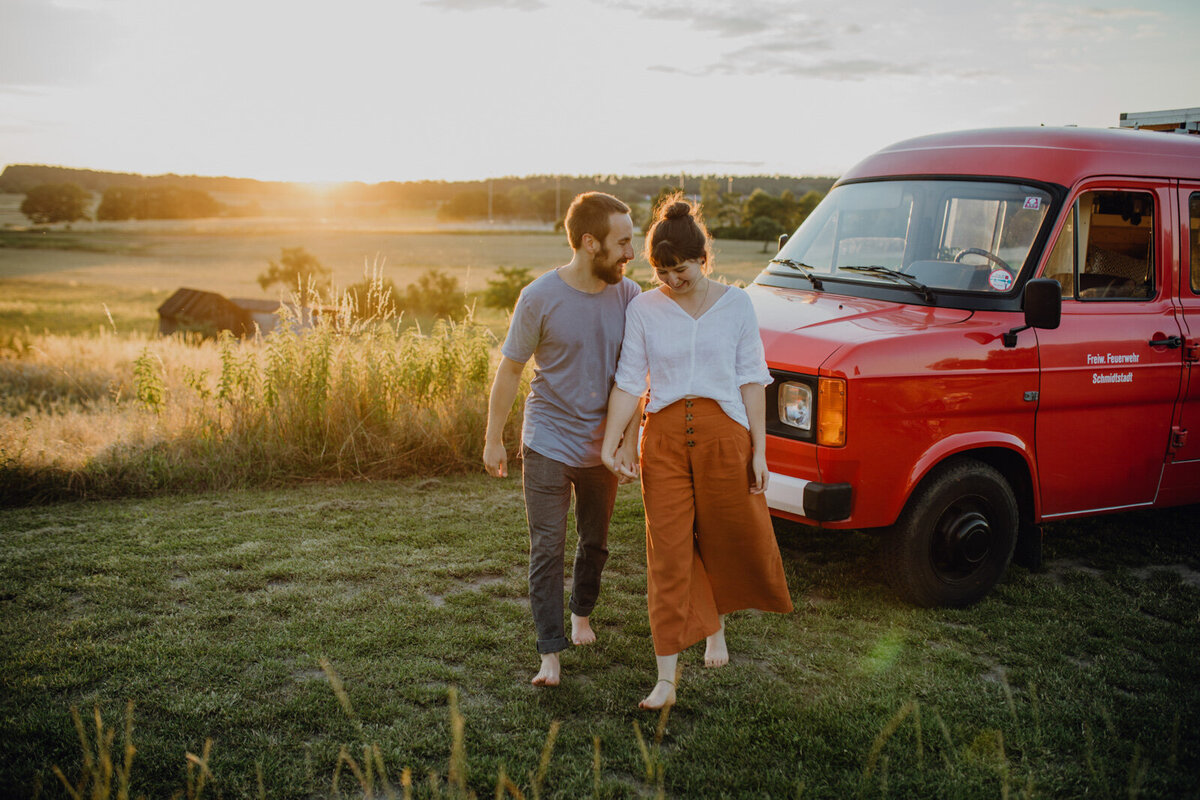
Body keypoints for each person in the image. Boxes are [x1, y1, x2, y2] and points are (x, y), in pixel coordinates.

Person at [600, 195, 793, 709]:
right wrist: (612, 440)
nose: (671, 280)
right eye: (661, 271)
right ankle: (666, 677)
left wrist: (760, 450)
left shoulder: (737, 304)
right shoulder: (644, 307)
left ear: (702, 258)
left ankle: (715, 629)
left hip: (725, 435)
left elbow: (754, 379)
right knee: (668, 552)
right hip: (661, 440)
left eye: (679, 269)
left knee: (720, 536)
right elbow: (627, 381)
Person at [483, 191, 643, 687]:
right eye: (622, 243)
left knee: (594, 543)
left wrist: (628, 442)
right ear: (590, 243)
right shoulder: (538, 298)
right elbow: (510, 370)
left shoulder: (630, 296)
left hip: (604, 447)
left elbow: (636, 377)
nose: (631, 253)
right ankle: (549, 653)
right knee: (547, 548)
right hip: (548, 438)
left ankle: (582, 614)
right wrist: (493, 439)